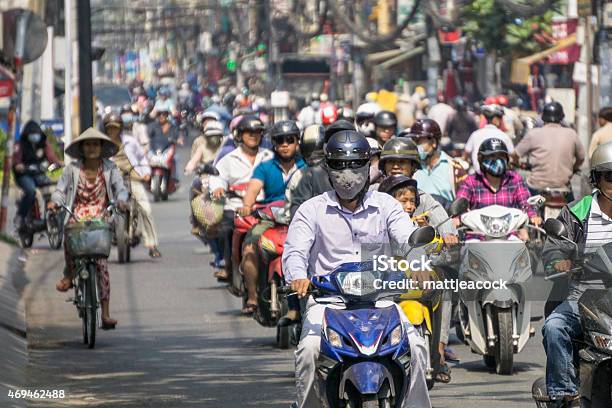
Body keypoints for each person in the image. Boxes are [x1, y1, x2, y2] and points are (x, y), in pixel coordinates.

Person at [282, 130, 432, 408]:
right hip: (329, 302)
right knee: (309, 351)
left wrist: (419, 263)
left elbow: (407, 236)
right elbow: (295, 251)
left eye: (354, 164)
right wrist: (298, 277)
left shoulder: (386, 204)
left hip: (381, 300)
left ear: (367, 167)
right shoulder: (311, 210)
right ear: (327, 167)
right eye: (339, 165)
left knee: (418, 347)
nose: (347, 173)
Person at [541, 142, 612, 407]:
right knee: (555, 327)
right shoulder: (576, 213)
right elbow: (553, 251)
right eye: (610, 176)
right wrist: (559, 261)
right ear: (596, 179)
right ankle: (565, 393)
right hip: (582, 299)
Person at [48, 128, 128, 329]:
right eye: (88, 144)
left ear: (101, 148)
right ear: (82, 148)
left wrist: (121, 201)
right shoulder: (72, 169)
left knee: (101, 264)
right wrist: (55, 202)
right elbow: (60, 191)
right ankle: (69, 273)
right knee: (69, 233)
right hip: (77, 214)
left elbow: (121, 189)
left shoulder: (110, 168)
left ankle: (106, 314)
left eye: (95, 144)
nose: (92, 148)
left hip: (101, 216)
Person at [236, 120, 306, 315]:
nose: (285, 144)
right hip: (269, 220)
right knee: (250, 248)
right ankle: (252, 297)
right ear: (274, 143)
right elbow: (253, 189)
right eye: (280, 140)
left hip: (299, 219)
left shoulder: (306, 165)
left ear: (297, 142)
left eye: (289, 140)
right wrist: (247, 206)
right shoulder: (265, 167)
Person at [209, 116, 273, 290]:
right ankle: (229, 265)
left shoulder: (269, 157)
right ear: (240, 135)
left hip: (266, 207)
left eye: (257, 132)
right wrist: (218, 188)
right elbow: (217, 177)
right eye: (249, 132)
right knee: (226, 228)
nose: (253, 135)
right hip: (235, 206)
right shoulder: (229, 159)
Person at [457, 138, 541, 240]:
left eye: (501, 156)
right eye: (492, 156)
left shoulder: (514, 179)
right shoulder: (471, 181)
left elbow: (526, 203)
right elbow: (459, 205)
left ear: (507, 159)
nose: (497, 160)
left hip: (509, 237)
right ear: (481, 159)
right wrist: (456, 218)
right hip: (477, 239)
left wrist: (533, 216)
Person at [103, 113, 161, 258]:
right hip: (110, 180)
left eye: (115, 128)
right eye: (109, 128)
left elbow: (142, 157)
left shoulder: (130, 141)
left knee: (145, 208)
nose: (112, 131)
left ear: (120, 128)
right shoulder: (102, 144)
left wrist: (146, 172)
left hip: (132, 177)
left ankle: (152, 244)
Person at [512, 101, 585, 200]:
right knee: (572, 211)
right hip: (563, 187)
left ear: (543, 117)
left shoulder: (533, 134)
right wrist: (573, 169)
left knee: (524, 206)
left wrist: (517, 164)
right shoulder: (571, 134)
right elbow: (581, 158)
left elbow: (515, 154)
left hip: (536, 187)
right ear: (561, 117)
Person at [286, 120, 355, 219]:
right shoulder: (308, 175)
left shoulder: (367, 170)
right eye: (335, 139)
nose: (342, 144)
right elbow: (298, 214)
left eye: (348, 139)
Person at [12, 121, 62, 227]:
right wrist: (19, 166)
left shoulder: (43, 143)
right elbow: (16, 161)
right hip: (23, 175)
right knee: (30, 191)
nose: (35, 135)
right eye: (32, 133)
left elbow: (51, 157)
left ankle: (51, 215)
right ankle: (20, 216)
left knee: (52, 189)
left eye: (37, 133)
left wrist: (58, 163)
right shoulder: (20, 144)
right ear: (27, 134)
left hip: (39, 173)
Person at [411, 118, 467, 205]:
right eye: (413, 141)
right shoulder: (411, 166)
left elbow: (463, 200)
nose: (416, 146)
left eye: (419, 142)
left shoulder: (454, 168)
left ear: (433, 142)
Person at [464, 104, 515, 174]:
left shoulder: (475, 134)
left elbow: (466, 152)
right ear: (495, 120)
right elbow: (513, 154)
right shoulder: (504, 136)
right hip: (498, 176)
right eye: (500, 118)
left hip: (477, 173)